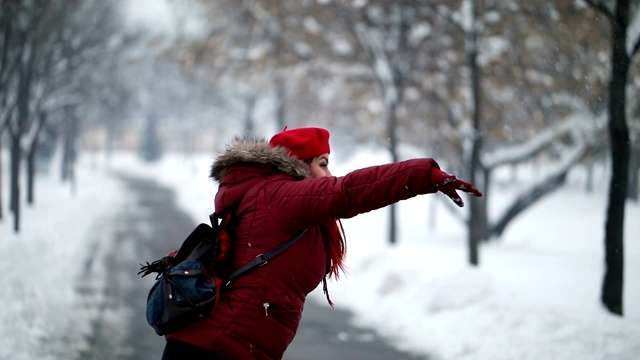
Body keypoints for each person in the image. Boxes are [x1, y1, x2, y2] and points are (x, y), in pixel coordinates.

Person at [161, 126, 482, 360]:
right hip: (220, 348)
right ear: (299, 165)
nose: (330, 174)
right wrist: (422, 176)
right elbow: (348, 191)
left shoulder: (276, 200)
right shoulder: (281, 195)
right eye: (323, 163)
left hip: (221, 345)